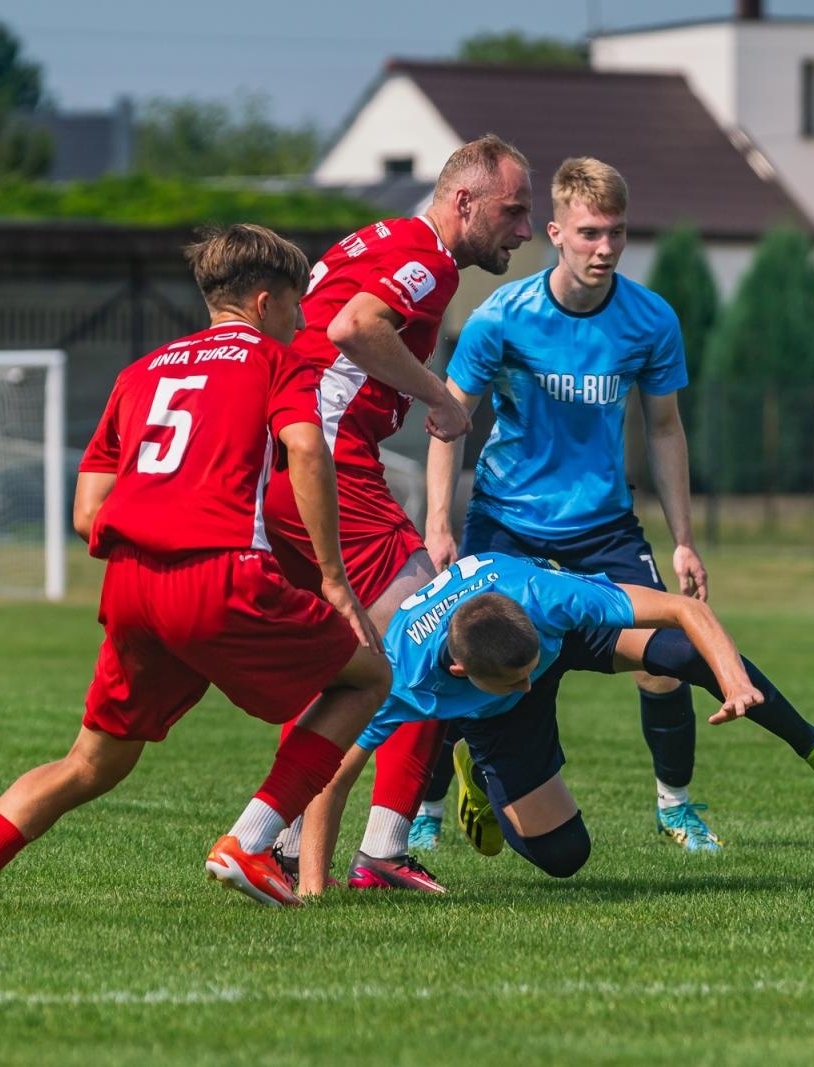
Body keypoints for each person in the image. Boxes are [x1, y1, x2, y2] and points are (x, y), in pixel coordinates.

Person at [0, 224, 391, 913]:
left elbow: (85, 511)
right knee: (369, 676)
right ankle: (251, 839)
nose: (302, 319)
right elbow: (307, 451)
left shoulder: (142, 371)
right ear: (264, 302)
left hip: (131, 582)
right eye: (297, 304)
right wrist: (334, 577)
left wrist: (158, 527)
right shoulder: (278, 362)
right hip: (217, 574)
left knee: (90, 764)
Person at [423, 157, 726, 852]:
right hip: (506, 516)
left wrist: (683, 537)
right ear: (556, 231)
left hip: (603, 522)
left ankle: (675, 807)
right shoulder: (502, 316)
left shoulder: (650, 319)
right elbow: (448, 419)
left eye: (617, 233)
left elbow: (665, 428)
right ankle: (428, 808)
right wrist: (440, 523)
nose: (606, 248)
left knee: (666, 656)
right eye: (590, 233)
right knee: (458, 654)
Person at [264, 134, 535, 895]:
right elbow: (356, 326)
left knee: (344, 664)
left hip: (285, 459)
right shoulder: (430, 256)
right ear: (463, 202)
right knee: (433, 631)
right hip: (330, 462)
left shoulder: (378, 237)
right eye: (512, 212)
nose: (521, 230)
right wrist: (440, 395)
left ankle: (279, 844)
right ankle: (365, 846)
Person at [299, 552, 814, 882]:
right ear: (460, 675)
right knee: (564, 858)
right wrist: (315, 891)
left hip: (551, 634)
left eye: (529, 672)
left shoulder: (547, 600)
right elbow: (331, 773)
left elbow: (685, 610)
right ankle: (478, 772)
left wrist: (735, 683)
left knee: (681, 653)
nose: (531, 687)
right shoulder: (400, 677)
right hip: (490, 703)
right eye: (517, 682)